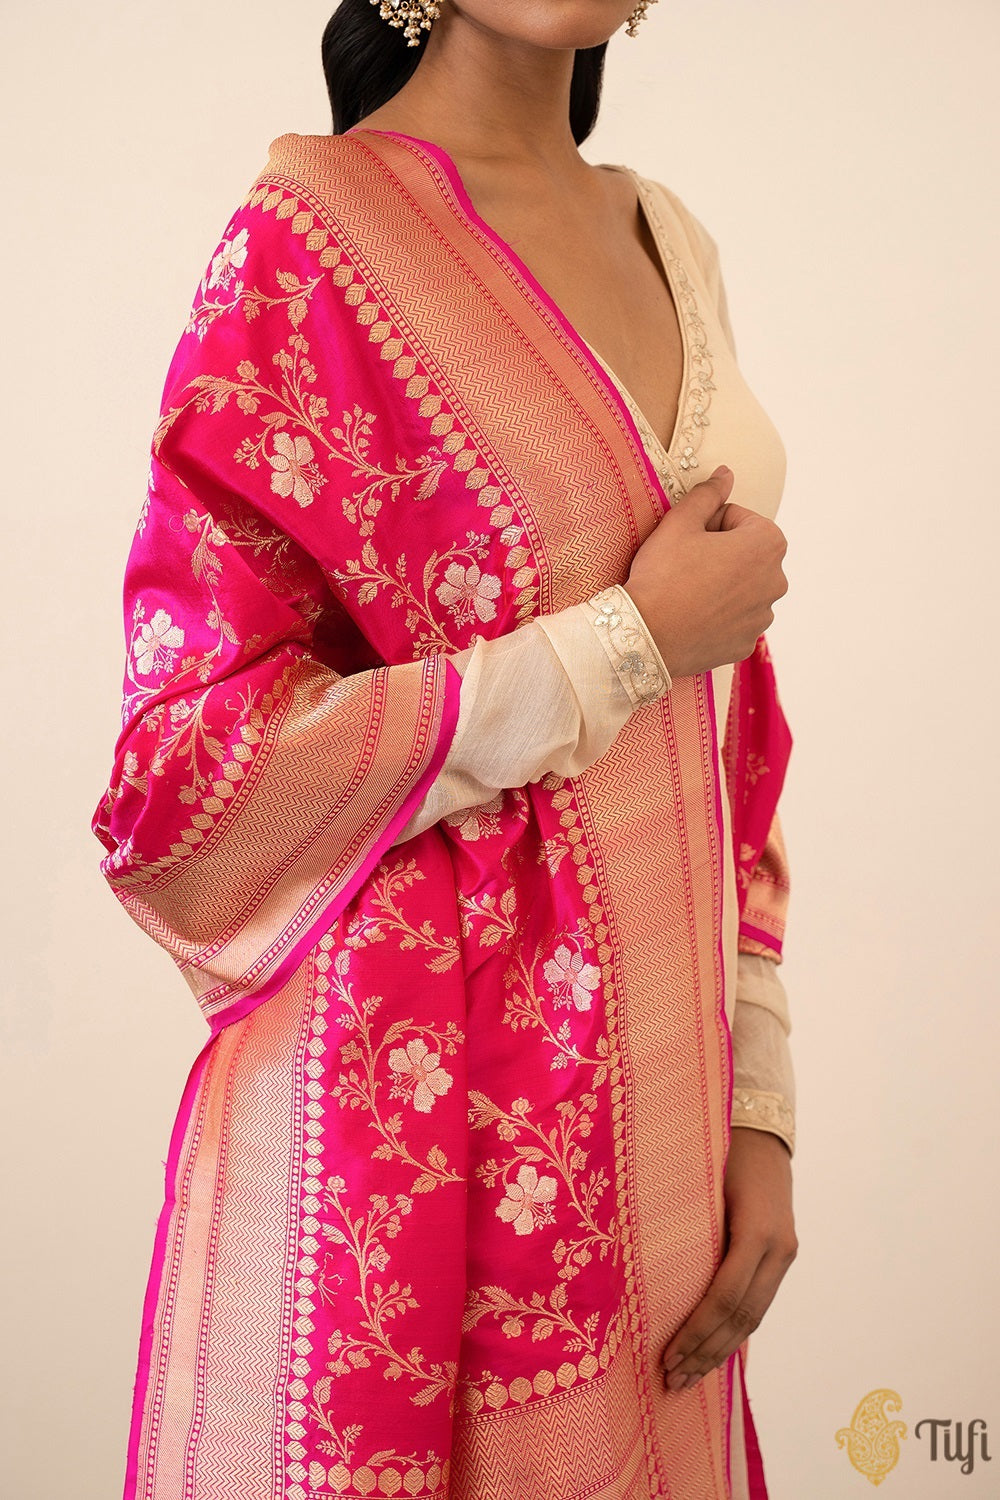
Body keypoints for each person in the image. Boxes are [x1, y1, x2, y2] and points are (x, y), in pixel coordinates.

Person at [91, 2, 798, 1495]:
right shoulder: (311, 247)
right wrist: (623, 642)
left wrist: (761, 1106)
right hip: (436, 1128)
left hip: (668, 1118)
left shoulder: (669, 236)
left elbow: (729, 719)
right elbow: (185, 774)